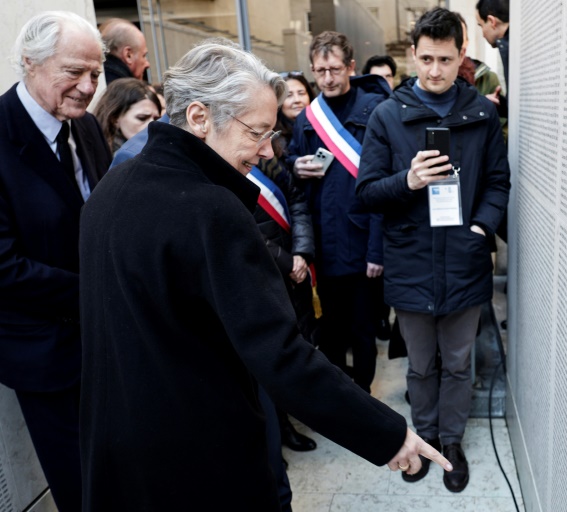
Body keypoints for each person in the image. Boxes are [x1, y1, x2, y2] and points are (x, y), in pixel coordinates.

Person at [78, 40, 450, 511]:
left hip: (116, 455)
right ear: (198, 117)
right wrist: (389, 435)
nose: (266, 150)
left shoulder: (110, 189)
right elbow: (281, 354)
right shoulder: (211, 208)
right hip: (199, 460)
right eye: (256, 132)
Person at [356, 7, 510, 493]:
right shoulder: (387, 115)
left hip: (464, 257)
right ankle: (422, 438)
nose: (435, 70)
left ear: (462, 53)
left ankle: (452, 441)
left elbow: (498, 182)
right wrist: (409, 180)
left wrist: (482, 230)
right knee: (421, 365)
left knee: (459, 363)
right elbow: (367, 193)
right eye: (426, 59)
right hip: (411, 259)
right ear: (413, 55)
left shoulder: (482, 113)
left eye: (445, 59)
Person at [0, 11, 111, 512]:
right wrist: (100, 289)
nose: (88, 87)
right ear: (29, 63)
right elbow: (4, 268)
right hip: (44, 353)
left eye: (96, 72)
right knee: (84, 490)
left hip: (107, 341)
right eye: (74, 71)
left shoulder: (85, 127)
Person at [287, 31, 390, 393]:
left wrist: (377, 250)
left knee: (363, 329)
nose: (327, 79)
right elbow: (291, 169)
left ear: (350, 67)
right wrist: (295, 166)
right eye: (320, 71)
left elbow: (383, 188)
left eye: (334, 69)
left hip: (362, 243)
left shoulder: (376, 110)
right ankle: (338, 398)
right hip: (323, 243)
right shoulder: (307, 118)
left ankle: (363, 395)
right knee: (329, 329)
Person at [93, 77, 161, 153]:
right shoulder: (107, 156)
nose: (152, 125)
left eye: (157, 119)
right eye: (142, 118)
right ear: (115, 119)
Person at [99, 18, 150, 83]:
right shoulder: (126, 91)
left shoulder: (100, 81)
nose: (147, 64)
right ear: (128, 55)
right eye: (143, 56)